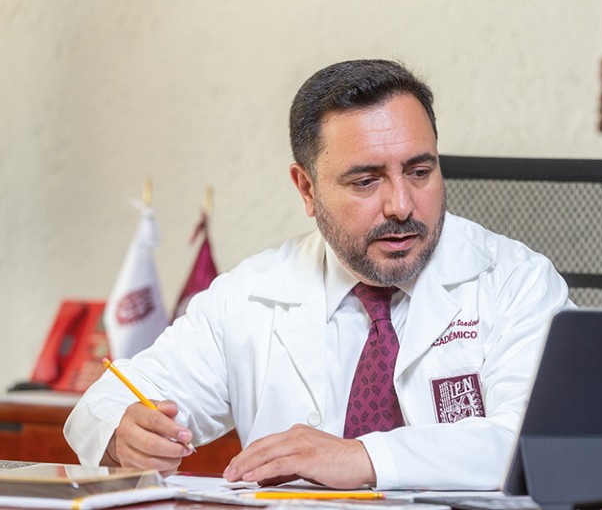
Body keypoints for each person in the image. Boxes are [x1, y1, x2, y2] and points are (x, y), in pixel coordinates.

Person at [64, 59, 571, 490]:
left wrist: (363, 458)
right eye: (367, 180)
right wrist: (123, 431)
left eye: (420, 172)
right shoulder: (251, 294)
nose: (401, 205)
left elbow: (546, 443)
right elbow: (107, 400)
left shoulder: (517, 282)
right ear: (306, 189)